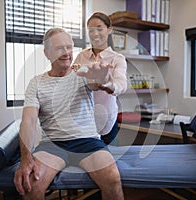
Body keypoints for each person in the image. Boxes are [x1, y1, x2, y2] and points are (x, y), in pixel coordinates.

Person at [13, 27, 124, 200]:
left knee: (112, 178)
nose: (66, 53)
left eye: (69, 47)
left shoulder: (82, 72)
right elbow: (28, 122)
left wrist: (104, 79)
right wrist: (26, 158)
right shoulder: (36, 83)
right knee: (32, 185)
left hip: (88, 143)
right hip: (52, 145)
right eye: (59, 48)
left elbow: (99, 83)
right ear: (47, 53)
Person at [73, 12, 127, 145]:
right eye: (91, 30)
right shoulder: (82, 56)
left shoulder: (117, 59)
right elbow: (73, 84)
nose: (95, 33)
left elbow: (121, 85)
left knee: (108, 159)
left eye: (99, 28)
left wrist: (108, 84)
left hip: (107, 119)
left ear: (109, 30)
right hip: (84, 119)